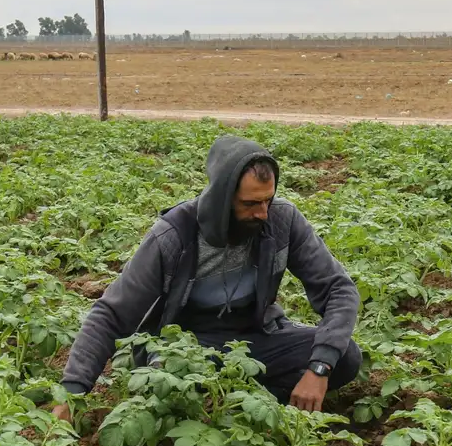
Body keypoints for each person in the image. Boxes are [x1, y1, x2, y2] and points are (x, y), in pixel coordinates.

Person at [53, 136, 361, 420]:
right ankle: (228, 406)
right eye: (250, 204)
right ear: (222, 198)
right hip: (185, 348)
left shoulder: (282, 220)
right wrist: (73, 391)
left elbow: (338, 289)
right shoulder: (173, 236)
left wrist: (319, 367)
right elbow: (111, 314)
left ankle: (250, 409)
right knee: (167, 389)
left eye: (267, 200)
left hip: (255, 339)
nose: (263, 213)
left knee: (343, 355)